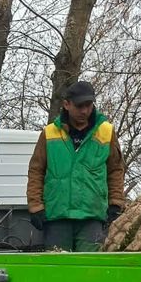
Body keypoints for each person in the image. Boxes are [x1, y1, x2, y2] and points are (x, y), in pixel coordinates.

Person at [27, 80, 125, 251]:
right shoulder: (49, 133)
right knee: (58, 271)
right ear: (66, 104)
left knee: (90, 271)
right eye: (80, 106)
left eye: (88, 105)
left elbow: (115, 170)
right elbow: (36, 170)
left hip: (92, 216)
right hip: (57, 216)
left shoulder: (106, 132)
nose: (85, 111)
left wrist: (116, 202)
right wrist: (35, 206)